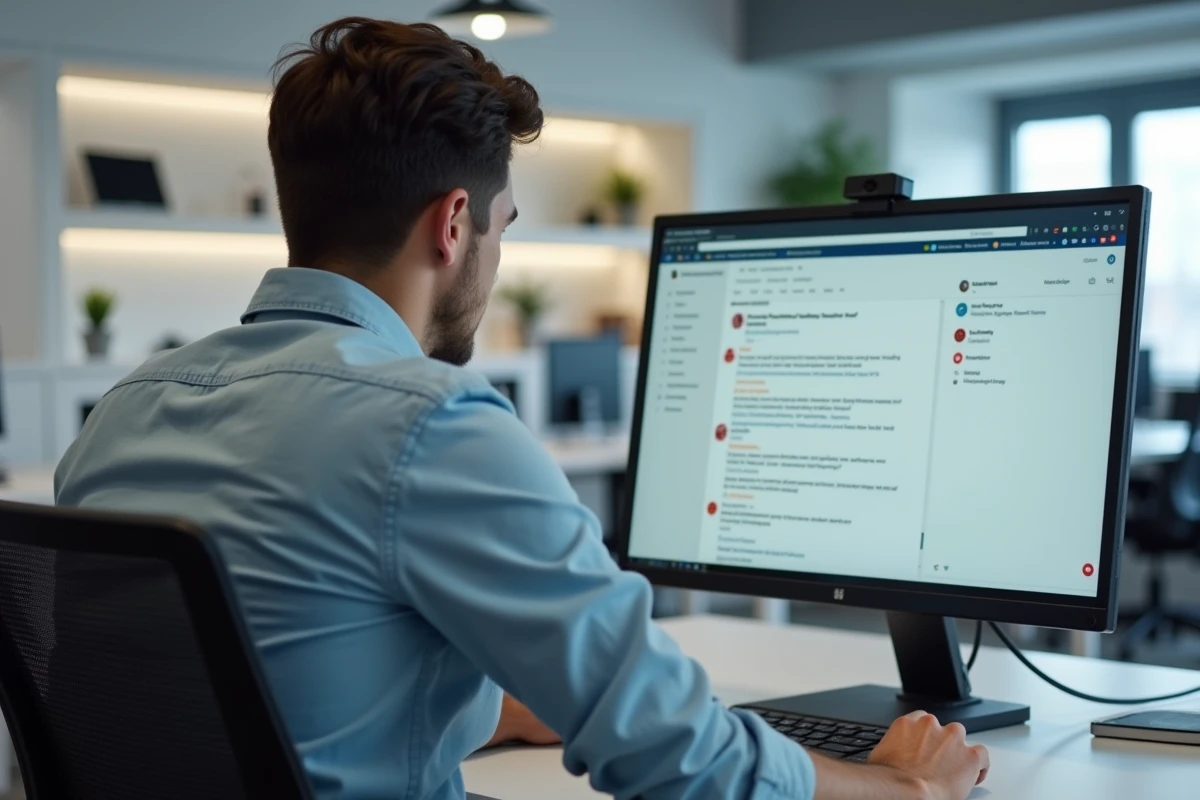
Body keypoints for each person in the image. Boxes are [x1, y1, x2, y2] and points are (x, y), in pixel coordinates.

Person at [55, 17, 989, 800]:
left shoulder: (122, 415)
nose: (495, 262)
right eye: (502, 230)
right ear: (453, 223)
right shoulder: (429, 423)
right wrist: (901, 784)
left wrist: (490, 710)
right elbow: (671, 755)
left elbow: (261, 692)